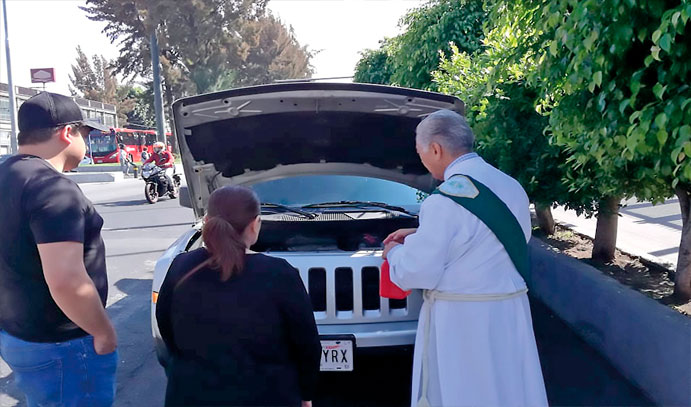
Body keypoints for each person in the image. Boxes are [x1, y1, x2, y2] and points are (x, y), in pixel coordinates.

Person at [383, 109, 548, 407]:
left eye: (421, 153)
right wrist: (419, 234)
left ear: (436, 149)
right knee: (508, 389)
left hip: (462, 321)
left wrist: (395, 253)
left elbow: (417, 272)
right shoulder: (512, 186)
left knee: (467, 392)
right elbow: (484, 241)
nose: (422, 160)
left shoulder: (444, 200)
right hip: (509, 311)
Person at [0, 92, 118, 406]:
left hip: (17, 334)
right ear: (67, 133)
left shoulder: (5, 175)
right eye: (85, 134)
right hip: (63, 345)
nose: (86, 144)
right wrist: (103, 332)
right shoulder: (52, 188)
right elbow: (67, 281)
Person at [156, 185, 321, 407]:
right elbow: (306, 345)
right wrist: (306, 393)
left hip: (190, 394)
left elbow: (165, 327)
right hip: (267, 395)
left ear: (206, 222)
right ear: (255, 225)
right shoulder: (280, 273)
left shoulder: (180, 265)